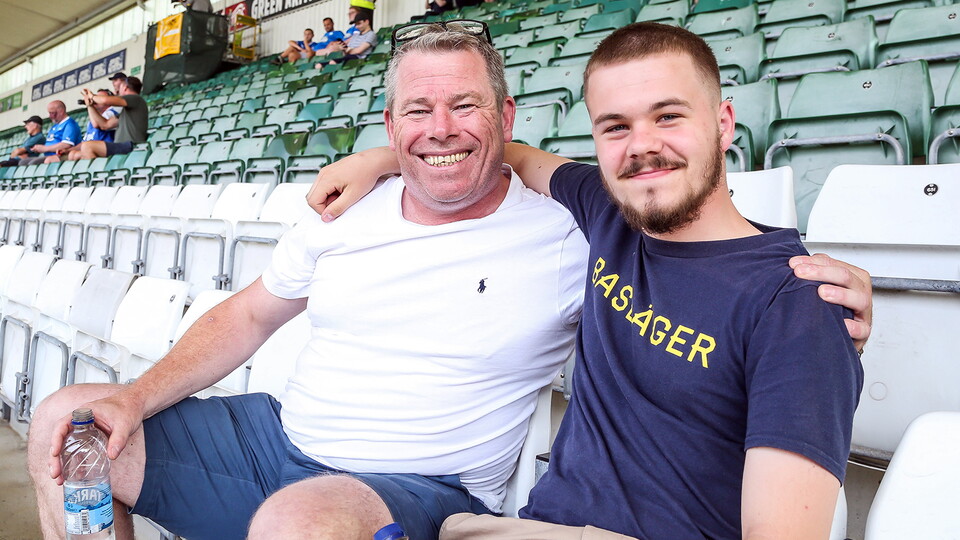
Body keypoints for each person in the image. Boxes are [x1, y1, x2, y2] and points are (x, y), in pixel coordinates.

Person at [30, 25, 869, 540]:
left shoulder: (592, 231)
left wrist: (835, 304)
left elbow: (708, 253)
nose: (441, 131)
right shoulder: (354, 211)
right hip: (288, 444)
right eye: (416, 115)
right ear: (391, 125)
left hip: (423, 491)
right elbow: (250, 315)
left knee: (300, 525)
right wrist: (135, 396)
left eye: (466, 108)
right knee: (69, 430)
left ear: (506, 121)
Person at [306, 22, 870, 540]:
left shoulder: (801, 305)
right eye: (616, 126)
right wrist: (384, 158)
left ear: (723, 123)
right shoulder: (607, 211)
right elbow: (514, 157)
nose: (642, 145)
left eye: (668, 116)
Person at [77, 76, 148, 159]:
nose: (118, 91)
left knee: (87, 147)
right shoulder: (126, 111)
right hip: (121, 146)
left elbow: (105, 101)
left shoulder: (136, 98)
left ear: (125, 87)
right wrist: (90, 105)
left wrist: (92, 97)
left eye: (120, 88)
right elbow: (104, 125)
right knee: (82, 152)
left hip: (131, 145)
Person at [58, 90, 118, 161]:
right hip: (89, 151)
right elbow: (84, 143)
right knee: (65, 155)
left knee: (74, 155)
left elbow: (97, 124)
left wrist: (89, 105)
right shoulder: (91, 121)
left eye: (99, 97)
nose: (95, 99)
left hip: (106, 152)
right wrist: (68, 150)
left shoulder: (111, 113)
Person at [17, 101, 80, 166]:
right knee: (22, 162)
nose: (50, 116)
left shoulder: (70, 124)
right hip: (48, 156)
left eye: (52, 113)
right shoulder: (55, 126)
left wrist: (44, 148)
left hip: (60, 156)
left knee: (33, 163)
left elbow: (66, 144)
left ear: (61, 111)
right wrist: (39, 148)